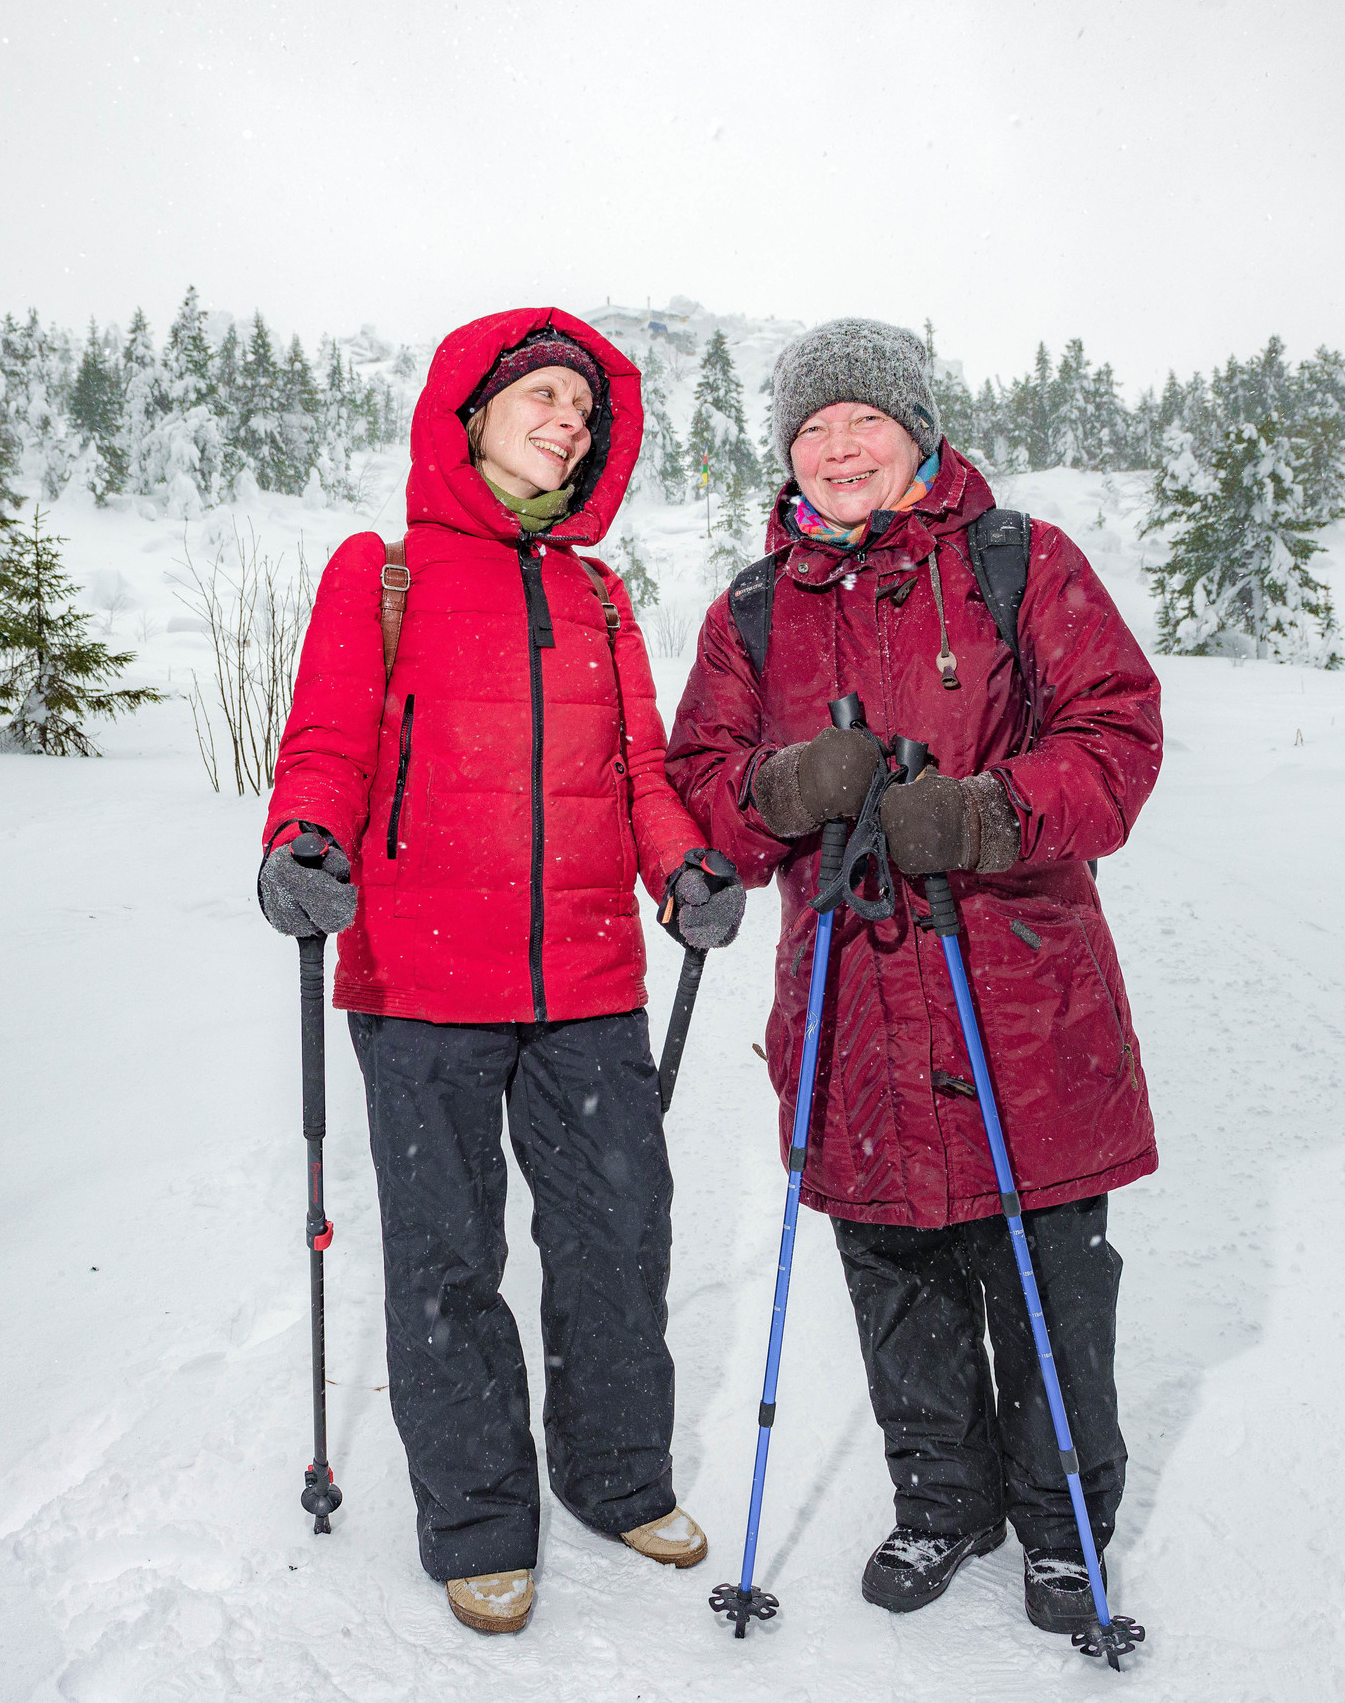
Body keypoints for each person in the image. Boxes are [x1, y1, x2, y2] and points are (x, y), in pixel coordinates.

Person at [665, 318, 1162, 1634]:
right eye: (812, 430)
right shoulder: (753, 613)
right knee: (894, 1263)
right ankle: (942, 1496)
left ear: (916, 431)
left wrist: (988, 813)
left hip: (1019, 991)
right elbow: (696, 793)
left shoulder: (1017, 563)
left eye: (861, 423)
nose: (837, 449)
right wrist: (783, 789)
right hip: (853, 999)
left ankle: (1063, 1522)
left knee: (1045, 1262)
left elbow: (1120, 733)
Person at [258, 308, 744, 1636]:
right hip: (420, 986)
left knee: (618, 1239)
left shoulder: (596, 592)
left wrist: (683, 865)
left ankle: (614, 1474)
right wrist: (300, 838)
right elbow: (326, 745)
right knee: (445, 1261)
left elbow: (640, 773)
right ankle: (478, 1517)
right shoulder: (386, 571)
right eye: (539, 396)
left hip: (588, 980)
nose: (564, 423)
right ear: (469, 414)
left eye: (583, 413)